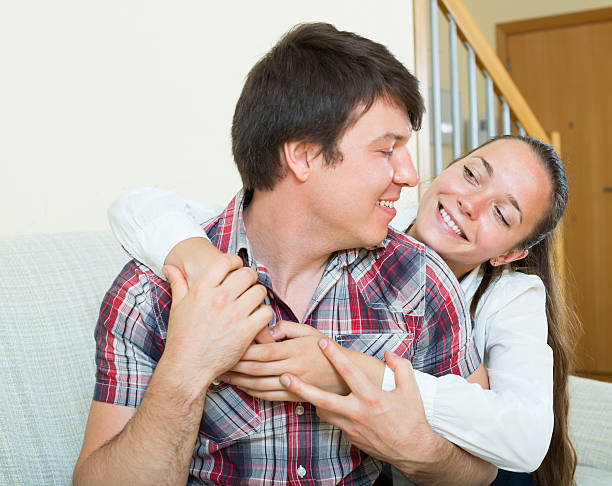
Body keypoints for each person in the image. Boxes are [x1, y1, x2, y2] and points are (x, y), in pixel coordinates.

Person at [73, 23, 492, 486]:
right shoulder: (151, 291)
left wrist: (419, 451)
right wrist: (187, 371)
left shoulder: (418, 279)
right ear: (303, 156)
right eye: (387, 150)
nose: (410, 175)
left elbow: (479, 469)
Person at [108, 135, 579, 486]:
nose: (470, 204)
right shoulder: (372, 216)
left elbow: (523, 437)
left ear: (509, 254)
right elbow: (142, 207)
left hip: (481, 462)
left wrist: (353, 371)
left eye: (502, 214)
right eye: (472, 175)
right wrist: (208, 266)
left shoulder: (510, 295)